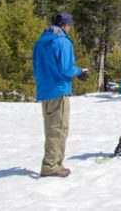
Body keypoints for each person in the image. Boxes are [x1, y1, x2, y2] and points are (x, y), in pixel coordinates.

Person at [32, 12, 89, 178]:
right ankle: (51, 165)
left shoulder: (41, 41)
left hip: (45, 89)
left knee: (51, 128)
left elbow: (36, 66)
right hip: (58, 89)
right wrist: (80, 72)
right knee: (59, 129)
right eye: (69, 25)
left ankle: (54, 163)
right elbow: (66, 68)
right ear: (65, 25)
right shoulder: (62, 42)